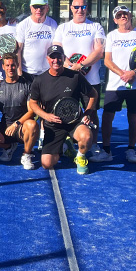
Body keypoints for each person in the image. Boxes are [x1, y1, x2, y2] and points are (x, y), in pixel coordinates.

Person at [28, 45, 97, 174]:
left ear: (63, 58)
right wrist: (46, 116)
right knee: (46, 164)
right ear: (47, 59)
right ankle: (66, 147)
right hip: (53, 126)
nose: (56, 60)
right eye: (52, 57)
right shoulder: (39, 80)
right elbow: (33, 104)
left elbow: (93, 94)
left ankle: (80, 157)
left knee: (87, 136)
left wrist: (88, 113)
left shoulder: (75, 76)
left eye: (59, 57)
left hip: (74, 123)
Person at [53, 0, 106, 159]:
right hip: (67, 79)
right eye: (76, 7)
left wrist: (81, 66)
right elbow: (58, 50)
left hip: (91, 80)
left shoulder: (95, 27)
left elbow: (99, 51)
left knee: (92, 112)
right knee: (64, 111)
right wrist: (70, 66)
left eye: (83, 7)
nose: (80, 10)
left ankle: (94, 146)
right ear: (71, 8)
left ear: (87, 8)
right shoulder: (63, 28)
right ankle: (64, 142)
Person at [101, 5, 136, 164]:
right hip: (115, 85)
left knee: (133, 116)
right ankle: (106, 150)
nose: (123, 17)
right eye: (119, 15)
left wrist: (134, 73)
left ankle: (131, 149)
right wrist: (123, 74)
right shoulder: (111, 36)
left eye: (125, 14)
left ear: (130, 16)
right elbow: (107, 60)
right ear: (115, 20)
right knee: (107, 116)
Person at [0, 54, 39, 169]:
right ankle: (8, 147)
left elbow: (31, 112)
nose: (10, 68)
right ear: (3, 67)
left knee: (32, 124)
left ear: (17, 65)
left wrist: (17, 124)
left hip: (22, 127)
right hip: (5, 127)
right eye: (7, 65)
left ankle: (27, 154)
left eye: (13, 65)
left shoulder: (28, 86)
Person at [16, 0, 58, 82]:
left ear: (47, 8)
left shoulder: (53, 24)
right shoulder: (23, 25)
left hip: (47, 71)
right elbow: (18, 50)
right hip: (28, 72)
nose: (38, 10)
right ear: (31, 8)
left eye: (42, 7)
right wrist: (19, 71)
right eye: (36, 7)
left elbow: (56, 47)